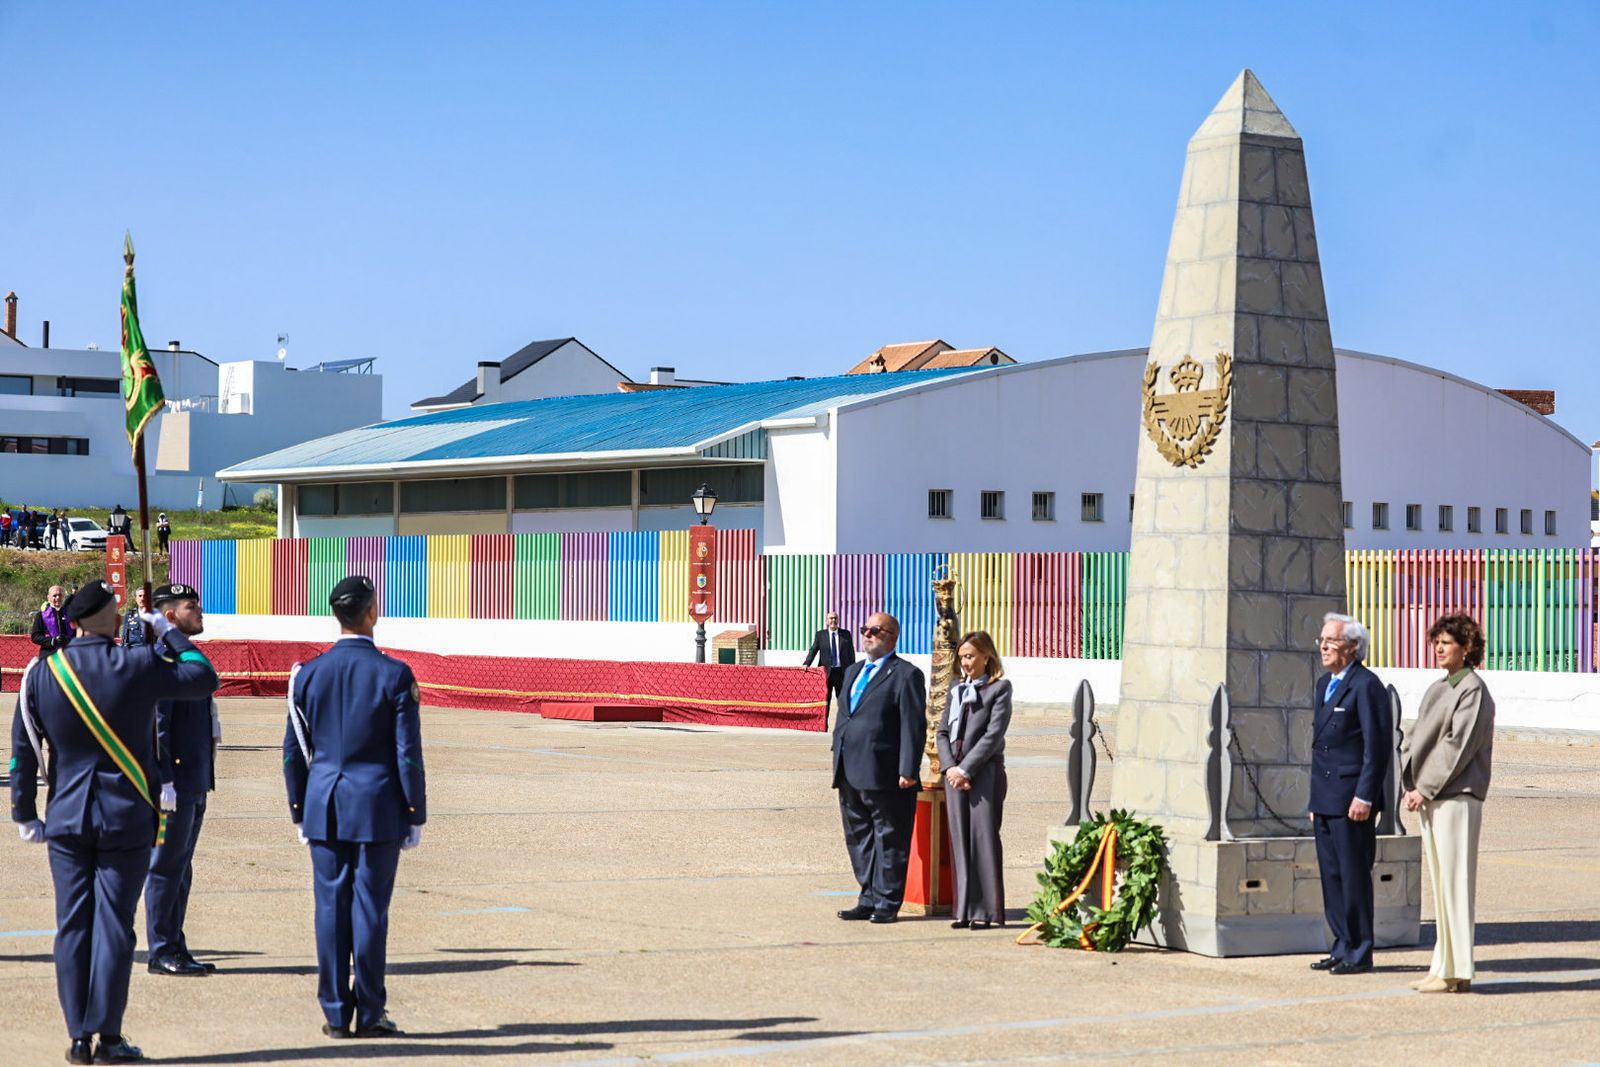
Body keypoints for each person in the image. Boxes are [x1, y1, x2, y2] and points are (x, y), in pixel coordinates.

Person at [10, 580, 219, 1065]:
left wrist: (24, 811)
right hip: (125, 817)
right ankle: (108, 1035)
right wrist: (166, 632)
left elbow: (24, 745)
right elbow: (202, 675)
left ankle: (78, 1036)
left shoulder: (45, 671)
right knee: (114, 927)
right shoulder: (137, 663)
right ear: (108, 619)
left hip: (66, 817)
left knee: (73, 927)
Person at [284, 575, 426, 1039]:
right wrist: (415, 812)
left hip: (324, 803)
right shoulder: (394, 673)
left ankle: (333, 1012)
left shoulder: (308, 674)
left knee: (330, 908)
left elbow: (293, 750)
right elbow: (407, 752)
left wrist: (299, 808)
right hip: (378, 805)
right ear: (370, 613)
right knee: (370, 910)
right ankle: (369, 1010)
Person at [1402, 614, 1495, 994]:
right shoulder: (1440, 687)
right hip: (1433, 796)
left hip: (1457, 796)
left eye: (1447, 642)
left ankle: (1458, 970)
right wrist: (1411, 784)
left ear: (1467, 647)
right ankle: (1443, 965)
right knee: (1441, 885)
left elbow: (1456, 746)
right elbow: (1417, 737)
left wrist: (1423, 786)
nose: (1439, 648)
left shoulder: (1472, 689)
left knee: (1456, 883)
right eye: (1436, 641)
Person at [144, 583, 223, 978]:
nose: (200, 611)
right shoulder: (164, 661)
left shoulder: (183, 658)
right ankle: (161, 950)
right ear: (169, 616)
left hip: (194, 778)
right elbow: (159, 725)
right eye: (192, 606)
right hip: (174, 783)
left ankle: (175, 942)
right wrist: (165, 781)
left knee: (181, 867)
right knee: (166, 866)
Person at [1308, 612, 1392, 976]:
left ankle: (1360, 950)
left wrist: (1365, 797)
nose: (1324, 646)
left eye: (1332, 641)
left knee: (1354, 875)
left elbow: (1377, 748)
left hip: (1352, 801)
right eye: (1322, 640)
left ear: (1353, 647)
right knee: (1331, 875)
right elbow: (1322, 747)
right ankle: (1341, 944)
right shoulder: (1323, 685)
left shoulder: (1366, 685)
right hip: (1326, 799)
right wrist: (1315, 801)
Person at [831, 611, 926, 925]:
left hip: (886, 773)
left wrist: (908, 768)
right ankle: (868, 896)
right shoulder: (853, 671)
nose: (868, 634)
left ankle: (887, 903)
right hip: (848, 769)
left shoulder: (905, 674)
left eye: (876, 630)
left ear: (892, 637)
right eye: (865, 629)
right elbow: (847, 716)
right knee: (859, 839)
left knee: (889, 839)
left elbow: (913, 725)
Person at [936, 630, 1012, 930]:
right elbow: (942, 732)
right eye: (962, 657)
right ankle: (964, 908)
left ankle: (986, 911)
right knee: (960, 841)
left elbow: (993, 735)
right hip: (954, 775)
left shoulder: (999, 689)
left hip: (984, 773)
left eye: (970, 656)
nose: (965, 662)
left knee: (983, 839)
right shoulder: (956, 688)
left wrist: (966, 769)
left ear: (986, 656)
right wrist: (950, 768)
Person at [802, 611, 856, 726]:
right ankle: (822, 725)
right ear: (827, 621)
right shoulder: (820, 635)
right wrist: (807, 663)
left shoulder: (846, 634)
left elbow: (851, 653)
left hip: (842, 673)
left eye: (835, 618)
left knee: (843, 700)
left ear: (838, 620)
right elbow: (813, 650)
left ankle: (845, 724)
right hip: (826, 674)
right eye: (831, 618)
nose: (833, 620)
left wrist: (853, 670)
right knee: (825, 700)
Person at [32, 585, 74, 657]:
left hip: (68, 653)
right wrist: (52, 640)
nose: (57, 597)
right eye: (54, 595)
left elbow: (78, 633)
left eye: (60, 595)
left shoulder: (71, 614)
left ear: (63, 597)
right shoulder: (41, 615)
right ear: (49, 598)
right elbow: (35, 636)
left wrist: (69, 639)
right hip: (49, 654)